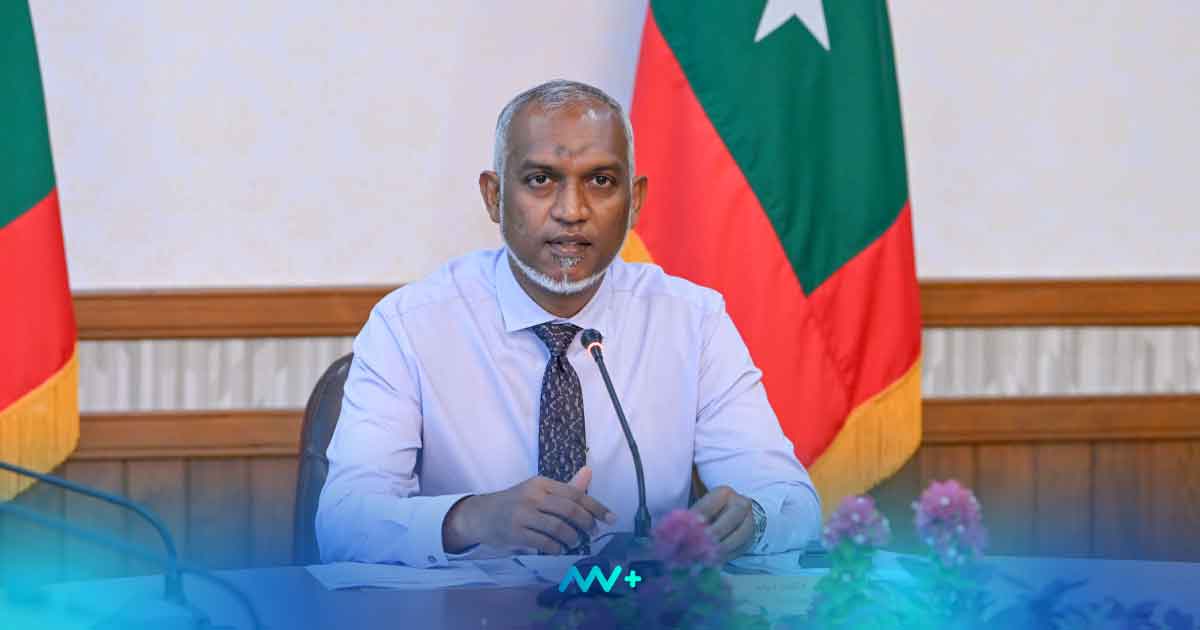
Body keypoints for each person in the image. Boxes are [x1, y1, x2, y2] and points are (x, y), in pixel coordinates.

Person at [316, 79, 820, 568]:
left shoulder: (693, 321)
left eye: (600, 182)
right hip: (463, 609)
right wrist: (471, 517)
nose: (571, 211)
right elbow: (342, 523)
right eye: (541, 180)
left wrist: (753, 520)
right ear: (493, 196)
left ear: (635, 201)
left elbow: (794, 502)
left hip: (638, 606)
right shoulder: (409, 326)